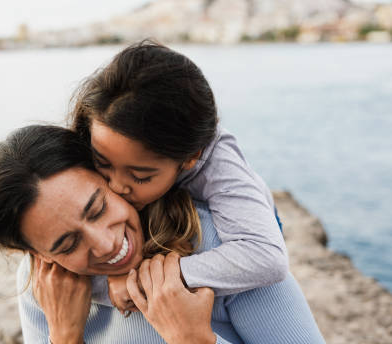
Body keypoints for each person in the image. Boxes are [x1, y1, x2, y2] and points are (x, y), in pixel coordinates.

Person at [0, 125, 336, 344]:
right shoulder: (45, 287)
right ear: (40, 255)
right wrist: (67, 342)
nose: (108, 243)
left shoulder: (220, 245)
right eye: (67, 243)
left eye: (97, 207)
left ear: (108, 174)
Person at [71, 40, 288, 313]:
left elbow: (267, 257)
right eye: (102, 163)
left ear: (191, 157)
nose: (115, 186)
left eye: (139, 176)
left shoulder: (219, 161)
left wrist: (138, 280)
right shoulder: (101, 128)